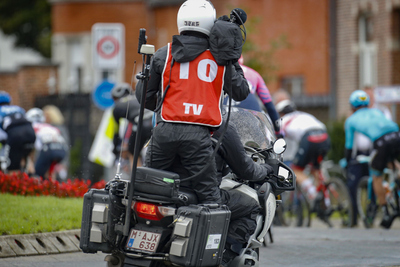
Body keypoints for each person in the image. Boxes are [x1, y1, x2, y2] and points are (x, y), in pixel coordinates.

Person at [135, 0, 250, 205]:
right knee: (210, 201)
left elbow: (143, 95)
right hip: (198, 137)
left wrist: (165, 108)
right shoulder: (220, 59)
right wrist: (232, 54)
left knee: (148, 193)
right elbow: (241, 92)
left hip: (163, 133)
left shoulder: (165, 53)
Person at [345, 90, 400, 229]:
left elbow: (349, 146)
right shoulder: (377, 111)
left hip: (381, 142)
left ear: (352, 106)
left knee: (376, 175)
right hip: (396, 135)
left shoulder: (351, 120)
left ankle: (386, 212)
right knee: (393, 164)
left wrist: (347, 163)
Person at [275, 97, 331, 216]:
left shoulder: (282, 120)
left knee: (296, 169)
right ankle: (326, 202)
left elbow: (277, 138)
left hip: (309, 138)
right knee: (316, 168)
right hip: (324, 136)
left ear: (281, 112)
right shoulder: (304, 114)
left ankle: (313, 194)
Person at [224, 56, 281, 136]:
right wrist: (278, 131)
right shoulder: (254, 74)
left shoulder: (220, 70)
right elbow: (269, 105)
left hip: (227, 112)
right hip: (251, 113)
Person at [111, 83, 153, 168]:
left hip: (141, 124)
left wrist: (115, 149)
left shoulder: (117, 107)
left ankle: (137, 178)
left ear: (116, 98)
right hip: (154, 121)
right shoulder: (137, 98)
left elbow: (117, 132)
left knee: (133, 152)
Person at [26, 108, 68, 179]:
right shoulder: (49, 126)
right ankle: (53, 186)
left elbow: (33, 149)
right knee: (50, 171)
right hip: (62, 149)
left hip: (48, 148)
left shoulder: (31, 127)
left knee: (36, 174)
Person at [0, 91, 36, 173]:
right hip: (31, 134)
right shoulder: (19, 109)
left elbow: (2, 136)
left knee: (12, 168)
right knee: (24, 160)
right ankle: (32, 177)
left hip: (15, 136)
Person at [42, 105, 70, 181]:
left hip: (58, 161)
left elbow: (65, 146)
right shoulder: (44, 128)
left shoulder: (60, 129)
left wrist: (64, 163)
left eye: (46, 116)